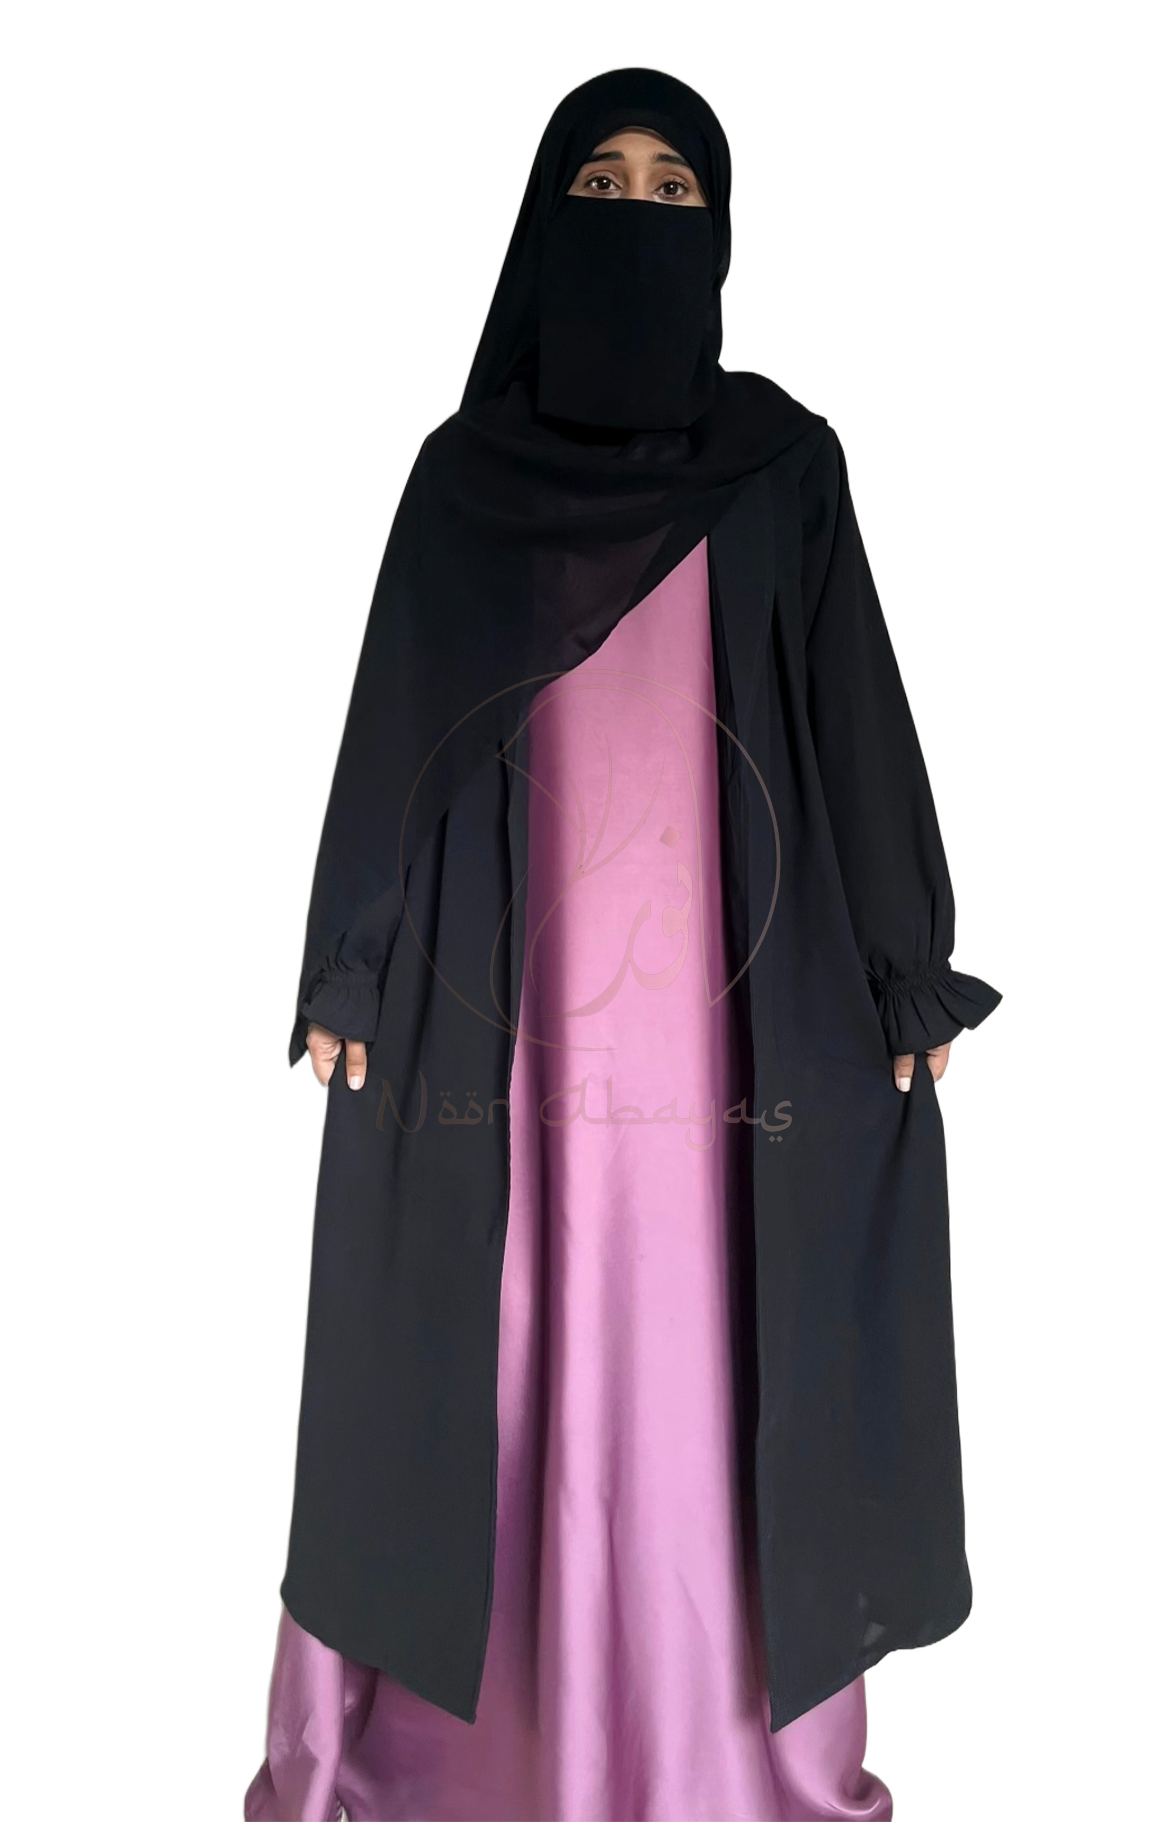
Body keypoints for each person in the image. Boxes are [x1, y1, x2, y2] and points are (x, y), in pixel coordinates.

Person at [245, 67, 1002, 1822]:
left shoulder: (781, 464)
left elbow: (851, 713)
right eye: (604, 179)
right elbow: (396, 729)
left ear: (718, 235)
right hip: (499, 998)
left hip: (741, 1005)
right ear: (543, 219)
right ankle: (479, 1760)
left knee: (730, 1327)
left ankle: (716, 1764)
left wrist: (906, 960)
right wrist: (350, 960)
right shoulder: (464, 479)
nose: (640, 212)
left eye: (676, 187)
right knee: (489, 1323)